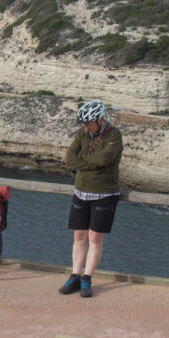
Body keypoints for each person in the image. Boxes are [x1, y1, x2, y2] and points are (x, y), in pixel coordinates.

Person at [59, 100, 122, 298]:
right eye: (83, 124)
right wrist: (91, 165)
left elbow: (104, 159)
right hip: (81, 192)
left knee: (95, 238)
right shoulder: (82, 134)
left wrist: (81, 163)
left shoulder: (114, 135)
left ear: (100, 119)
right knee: (79, 236)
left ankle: (87, 278)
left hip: (104, 193)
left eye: (88, 123)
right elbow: (70, 157)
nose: (85, 127)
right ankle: (75, 275)